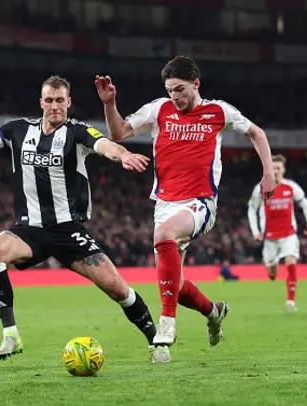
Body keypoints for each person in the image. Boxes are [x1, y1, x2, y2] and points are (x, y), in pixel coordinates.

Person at [0, 76, 162, 362]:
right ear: (41, 103)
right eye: (49, 100)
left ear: (68, 103)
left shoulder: (78, 131)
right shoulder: (18, 129)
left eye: (60, 101)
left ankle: (157, 341)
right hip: (29, 229)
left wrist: (123, 154)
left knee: (117, 288)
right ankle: (11, 336)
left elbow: (105, 145)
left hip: (68, 230)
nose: (55, 106)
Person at [96, 55, 276, 363]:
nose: (174, 97)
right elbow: (120, 134)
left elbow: (256, 133)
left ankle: (166, 326)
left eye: (179, 89)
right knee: (174, 287)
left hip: (201, 203)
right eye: (169, 90)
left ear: (195, 83)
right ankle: (214, 312)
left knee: (164, 236)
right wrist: (109, 103)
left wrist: (269, 172)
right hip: (165, 203)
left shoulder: (218, 111)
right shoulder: (158, 109)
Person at [247, 154, 307, 312]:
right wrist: (255, 231)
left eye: (278, 168)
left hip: (288, 234)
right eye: (273, 167)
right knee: (272, 274)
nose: (276, 171)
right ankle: (272, 266)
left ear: (283, 170)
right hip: (269, 237)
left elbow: (305, 204)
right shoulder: (261, 188)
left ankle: (290, 301)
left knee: (291, 261)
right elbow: (252, 209)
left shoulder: (291, 187)